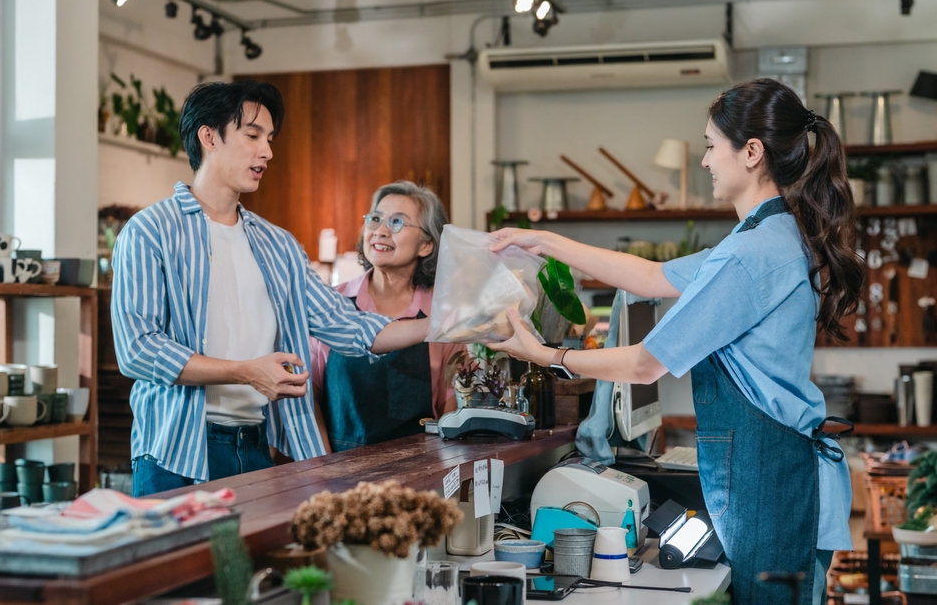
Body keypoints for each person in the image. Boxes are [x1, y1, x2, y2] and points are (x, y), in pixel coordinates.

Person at [487, 78, 862, 605]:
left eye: (711, 145)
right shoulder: (767, 236)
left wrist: (547, 356)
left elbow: (646, 365)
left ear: (751, 152)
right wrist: (545, 241)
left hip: (770, 479)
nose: (705, 161)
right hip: (775, 472)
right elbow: (650, 276)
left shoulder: (750, 255)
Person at [111, 81, 428, 497]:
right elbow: (137, 349)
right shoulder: (150, 231)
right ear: (209, 137)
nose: (267, 152)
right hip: (174, 453)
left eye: (270, 139)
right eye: (253, 135)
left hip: (256, 449)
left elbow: (348, 325)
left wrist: (445, 323)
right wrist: (245, 372)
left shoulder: (277, 244)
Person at [309, 182, 465, 452]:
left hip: (420, 469)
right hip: (337, 470)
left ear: (426, 245)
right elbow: (309, 397)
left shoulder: (441, 316)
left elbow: (451, 406)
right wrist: (321, 466)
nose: (380, 231)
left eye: (397, 222)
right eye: (375, 219)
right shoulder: (331, 305)